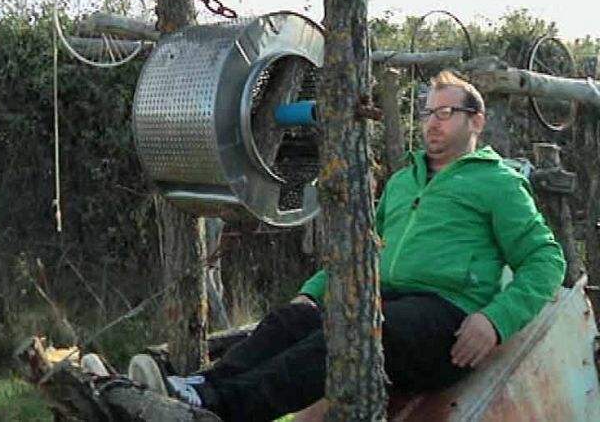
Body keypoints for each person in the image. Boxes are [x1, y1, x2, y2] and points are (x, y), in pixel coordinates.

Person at [128, 70, 566, 421]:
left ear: (477, 121)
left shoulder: (497, 183)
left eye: (446, 112)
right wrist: (313, 293)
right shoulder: (401, 182)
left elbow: (546, 260)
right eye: (428, 112)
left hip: (444, 320)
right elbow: (362, 250)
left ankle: (222, 410)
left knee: (352, 328)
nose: (432, 121)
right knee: (290, 321)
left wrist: (494, 321)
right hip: (383, 303)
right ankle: (196, 390)